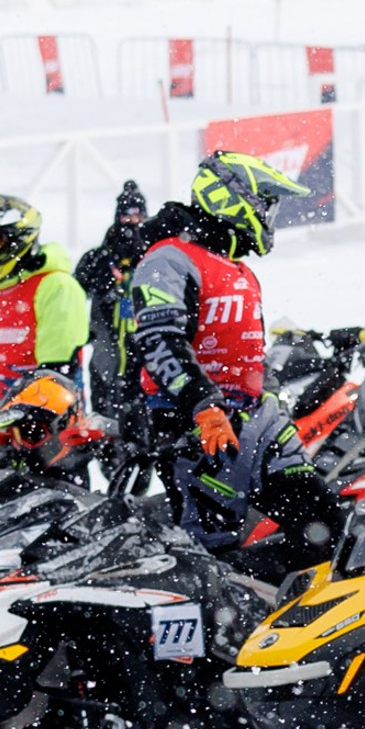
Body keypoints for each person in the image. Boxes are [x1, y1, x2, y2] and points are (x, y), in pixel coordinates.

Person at [126, 153, 342, 574]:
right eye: (267, 203)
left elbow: (246, 349)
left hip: (258, 423)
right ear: (234, 198)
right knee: (212, 560)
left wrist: (273, 395)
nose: (271, 214)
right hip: (199, 430)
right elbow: (159, 342)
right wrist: (202, 404)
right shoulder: (168, 259)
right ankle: (232, 622)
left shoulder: (238, 269)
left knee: (326, 528)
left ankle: (292, 622)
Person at [0, 194, 90, 412]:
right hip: (4, 405)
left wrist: (32, 412)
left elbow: (57, 371)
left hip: (47, 412)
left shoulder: (56, 286)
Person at [72, 180, 150, 425]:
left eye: (138, 215)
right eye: (127, 216)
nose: (133, 221)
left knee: (144, 425)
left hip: (145, 357)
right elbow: (71, 297)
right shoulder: (98, 259)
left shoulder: (154, 256)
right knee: (105, 426)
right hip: (105, 354)